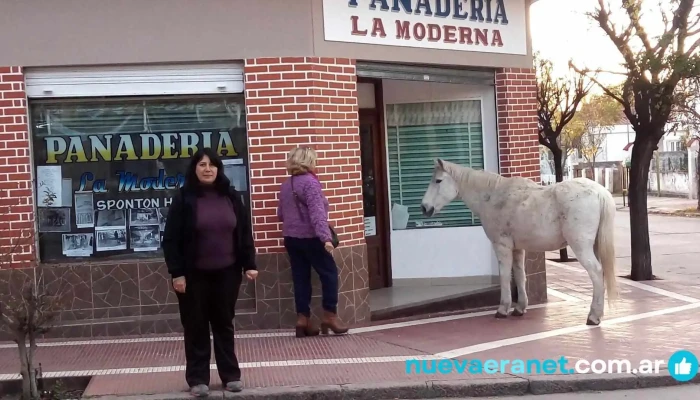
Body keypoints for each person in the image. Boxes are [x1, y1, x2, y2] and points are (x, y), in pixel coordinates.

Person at [162, 148, 258, 397]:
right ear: (195, 169)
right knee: (196, 326)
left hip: (227, 272)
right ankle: (198, 379)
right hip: (193, 275)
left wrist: (249, 263)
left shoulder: (231, 197)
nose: (208, 169)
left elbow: (244, 232)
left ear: (218, 169)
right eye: (202, 165)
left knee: (224, 324)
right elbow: (171, 239)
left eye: (212, 165)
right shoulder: (184, 198)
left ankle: (231, 376)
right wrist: (177, 273)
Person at [277, 146, 349, 338]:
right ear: (309, 161)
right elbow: (317, 215)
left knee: (301, 278)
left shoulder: (286, 185)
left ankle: (303, 319)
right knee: (330, 273)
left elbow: (280, 214)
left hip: (291, 239)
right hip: (311, 238)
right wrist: (326, 238)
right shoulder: (311, 183)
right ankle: (329, 316)